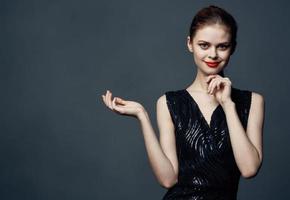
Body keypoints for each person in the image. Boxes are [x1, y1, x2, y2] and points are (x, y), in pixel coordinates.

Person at [101, 5, 265, 200]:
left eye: (222, 46)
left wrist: (228, 105)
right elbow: (168, 180)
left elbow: (249, 169)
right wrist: (142, 116)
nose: (213, 54)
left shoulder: (252, 101)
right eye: (204, 45)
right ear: (190, 44)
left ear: (233, 48)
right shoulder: (169, 103)